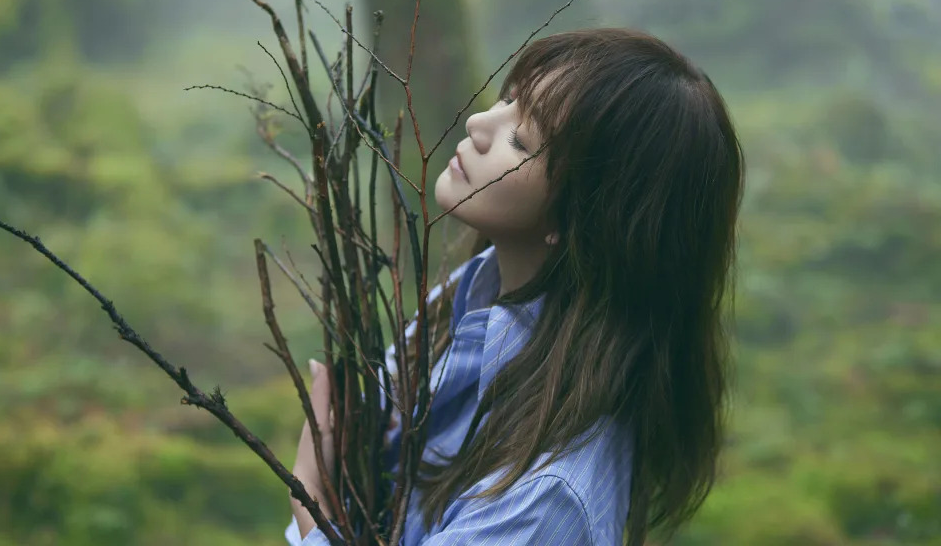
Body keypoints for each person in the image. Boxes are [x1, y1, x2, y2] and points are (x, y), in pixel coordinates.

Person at [285, 28, 746, 545]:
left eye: (521, 140)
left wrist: (313, 497)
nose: (478, 124)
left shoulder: (546, 497)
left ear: (585, 218)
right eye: (507, 100)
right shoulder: (471, 293)